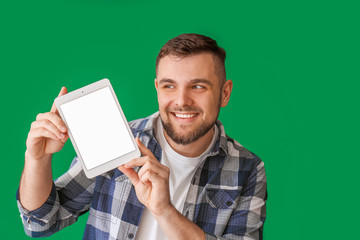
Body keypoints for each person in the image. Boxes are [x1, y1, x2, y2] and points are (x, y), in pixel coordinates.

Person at [17, 33, 267, 240]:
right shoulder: (118, 138)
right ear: (157, 88)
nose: (181, 101)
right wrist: (37, 160)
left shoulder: (247, 169)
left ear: (224, 93)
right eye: (170, 86)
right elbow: (40, 223)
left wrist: (164, 210)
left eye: (198, 86)